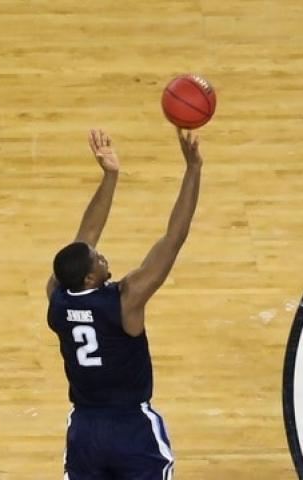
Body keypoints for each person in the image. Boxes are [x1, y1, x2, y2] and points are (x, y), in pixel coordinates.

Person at [46, 128, 202, 479]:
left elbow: (84, 238)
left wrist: (110, 177)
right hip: (131, 428)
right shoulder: (125, 300)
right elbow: (174, 237)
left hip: (85, 429)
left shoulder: (57, 298)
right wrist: (193, 170)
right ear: (90, 278)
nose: (102, 256)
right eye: (98, 259)